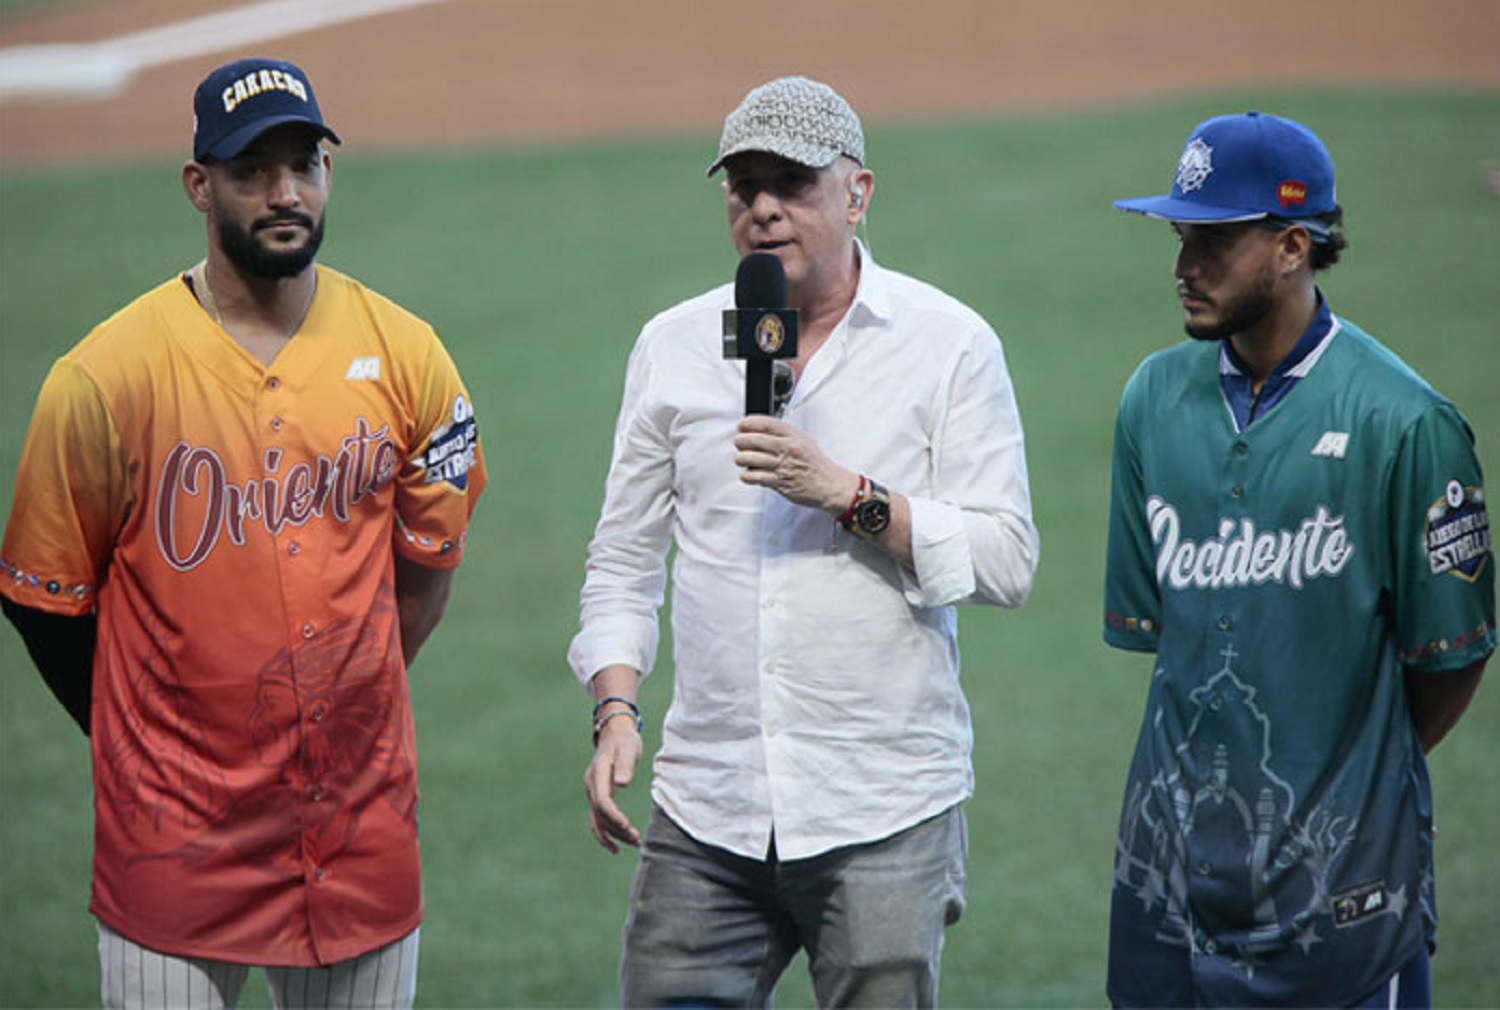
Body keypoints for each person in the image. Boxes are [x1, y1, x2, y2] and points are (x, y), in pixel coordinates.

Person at [0, 57, 486, 1009]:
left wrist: (338, 712)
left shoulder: (408, 354)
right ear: (199, 184)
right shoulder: (102, 380)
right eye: (251, 169)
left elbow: (424, 571)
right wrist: (146, 745)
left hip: (360, 831)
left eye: (303, 163)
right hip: (175, 849)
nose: (284, 192)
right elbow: (46, 603)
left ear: (328, 174)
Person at [568, 75, 1038, 1007]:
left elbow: (1006, 561)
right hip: (708, 807)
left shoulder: (948, 345)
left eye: (791, 182)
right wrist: (614, 712)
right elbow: (622, 559)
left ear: (858, 193)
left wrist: (852, 497)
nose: (764, 209)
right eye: (744, 186)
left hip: (883, 807)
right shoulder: (675, 346)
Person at [1103, 111, 1493, 1008]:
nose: (1182, 266)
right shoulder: (1152, 402)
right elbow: (1167, 637)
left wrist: (1342, 773)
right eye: (1178, 235)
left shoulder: (1406, 425)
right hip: (1165, 885)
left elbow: (1450, 659)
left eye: (1213, 241)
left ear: (1291, 246)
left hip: (1343, 899)